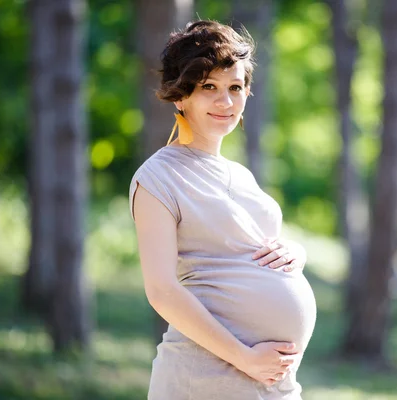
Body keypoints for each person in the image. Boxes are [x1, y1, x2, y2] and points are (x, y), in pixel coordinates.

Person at [129, 20, 317, 399]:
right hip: (206, 379)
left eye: (235, 87)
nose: (225, 102)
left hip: (272, 384)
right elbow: (162, 290)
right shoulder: (158, 177)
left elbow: (247, 249)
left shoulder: (241, 175)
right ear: (180, 95)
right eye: (208, 88)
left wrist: (297, 253)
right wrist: (246, 358)